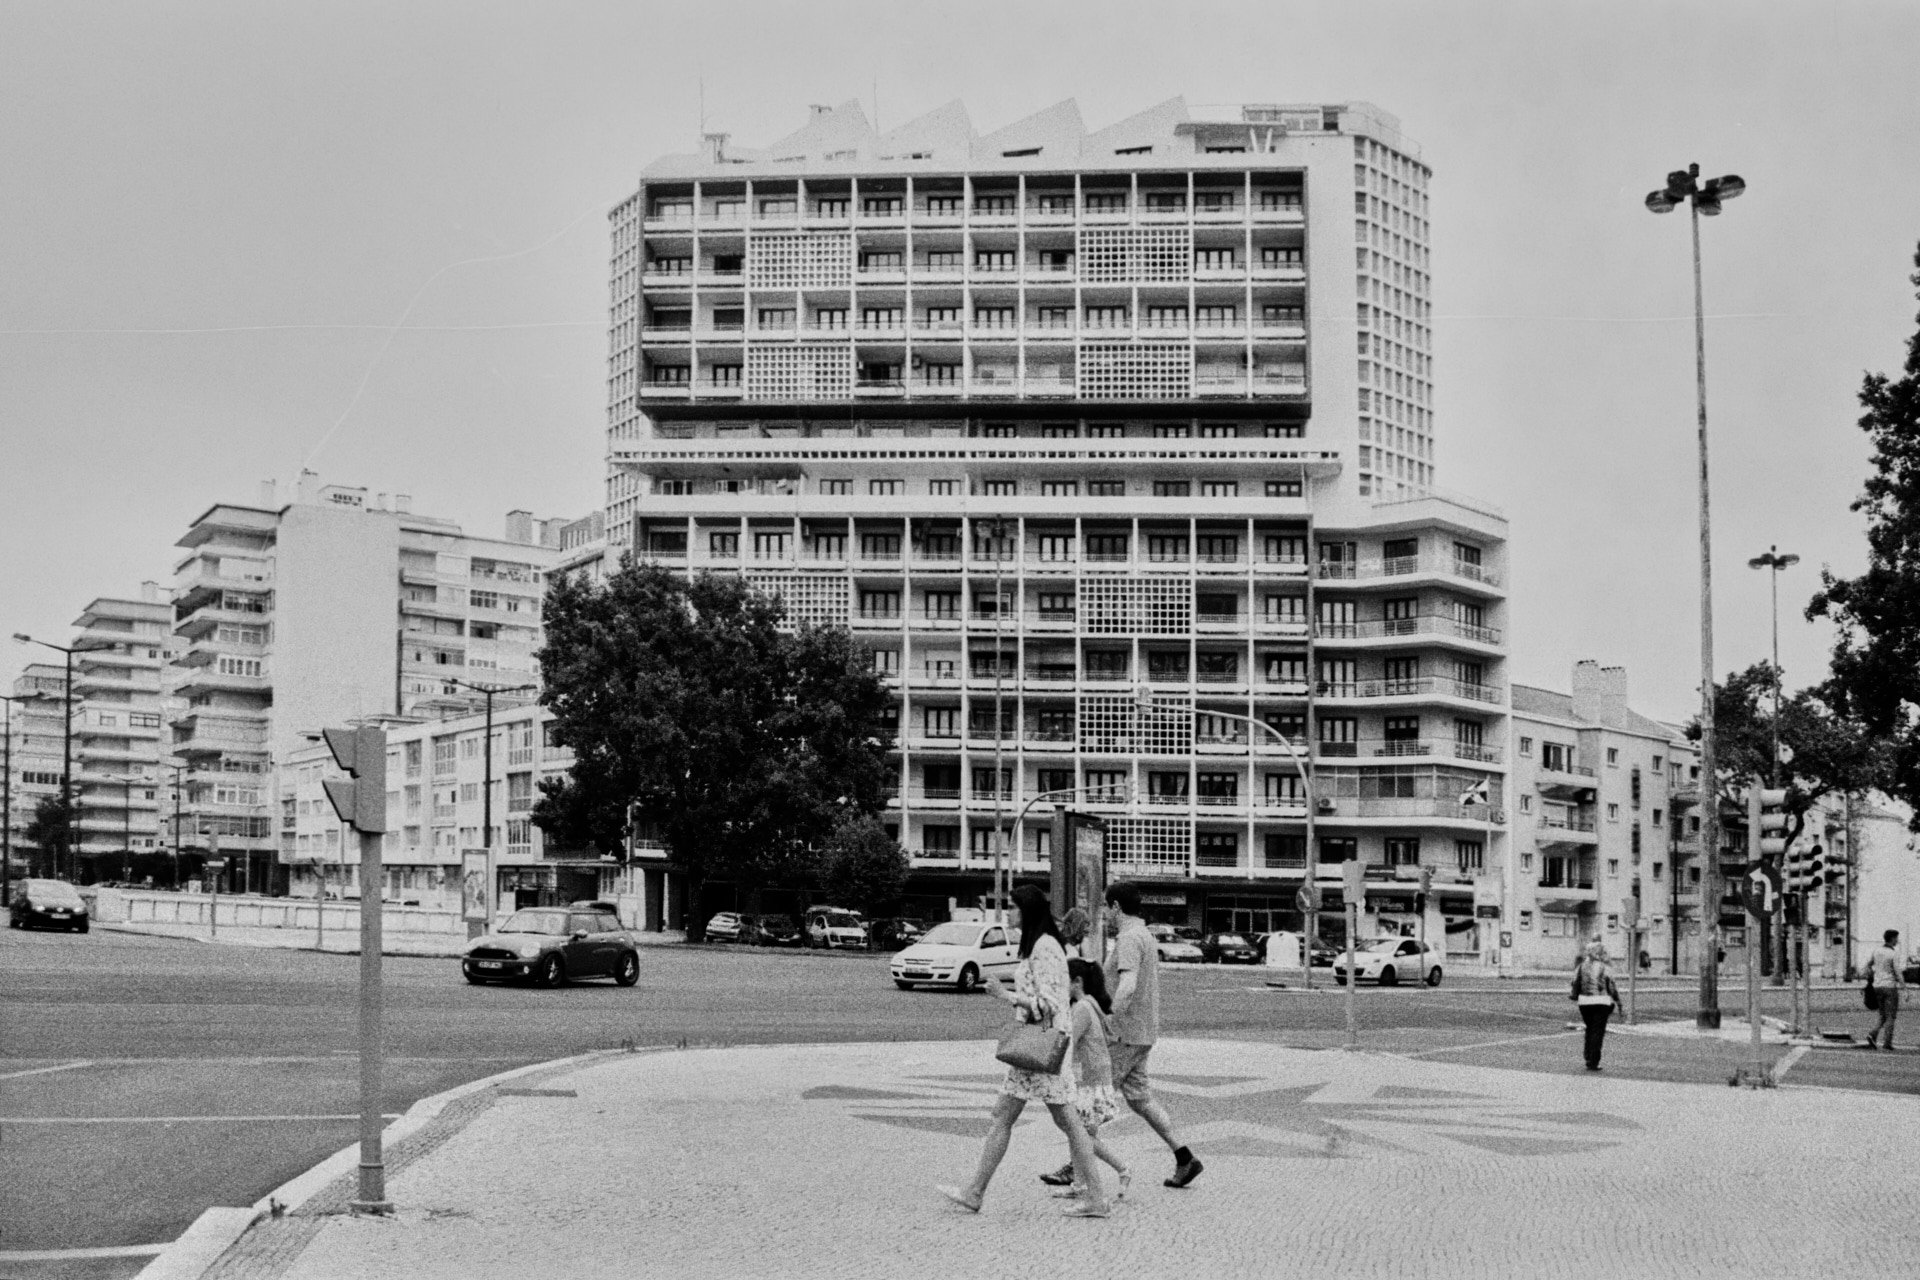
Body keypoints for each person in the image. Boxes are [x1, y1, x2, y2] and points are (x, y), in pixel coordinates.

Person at [938, 884, 1109, 1217]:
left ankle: (1097, 1198)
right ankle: (976, 1191)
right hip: (1038, 1048)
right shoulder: (1039, 945)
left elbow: (1049, 1004)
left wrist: (1006, 995)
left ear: (1027, 910)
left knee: (1065, 1123)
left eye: (1013, 907)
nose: (1008, 913)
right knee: (1012, 1116)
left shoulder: (1045, 947)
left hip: (1041, 1048)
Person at [1096, 881, 1202, 1188]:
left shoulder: (1129, 938)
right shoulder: (1144, 934)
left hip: (1124, 1033)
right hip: (1142, 1032)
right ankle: (1185, 1158)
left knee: (1095, 1097)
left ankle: (1077, 1166)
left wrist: (1108, 1019)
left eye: (1106, 906)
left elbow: (1127, 985)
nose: (1105, 912)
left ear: (1116, 906)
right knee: (1140, 1099)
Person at [1049, 957, 1131, 1204]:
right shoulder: (1090, 1004)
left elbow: (1067, 1042)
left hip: (1089, 1081)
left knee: (1081, 1135)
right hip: (1096, 1078)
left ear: (1077, 982)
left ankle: (1123, 1169)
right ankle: (1080, 1184)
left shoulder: (1083, 1008)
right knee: (1082, 1132)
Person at [1569, 940, 1622, 1071]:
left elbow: (1574, 982)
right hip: (1601, 1001)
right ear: (1600, 953)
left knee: (1590, 1028)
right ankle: (1593, 1061)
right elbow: (1611, 986)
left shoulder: (1581, 966)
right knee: (1598, 1032)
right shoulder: (1605, 968)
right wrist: (1618, 1001)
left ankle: (1587, 1056)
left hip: (1584, 1002)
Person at [1863, 929, 1903, 1050]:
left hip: (1877, 986)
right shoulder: (1894, 953)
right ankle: (1887, 1043)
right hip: (1890, 986)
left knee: (1882, 1015)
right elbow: (1897, 972)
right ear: (1892, 939)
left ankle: (1872, 1034)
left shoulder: (1877, 951)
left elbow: (1868, 965)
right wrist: (1904, 987)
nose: (1897, 940)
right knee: (1891, 1016)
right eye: (1896, 938)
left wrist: (1872, 976)